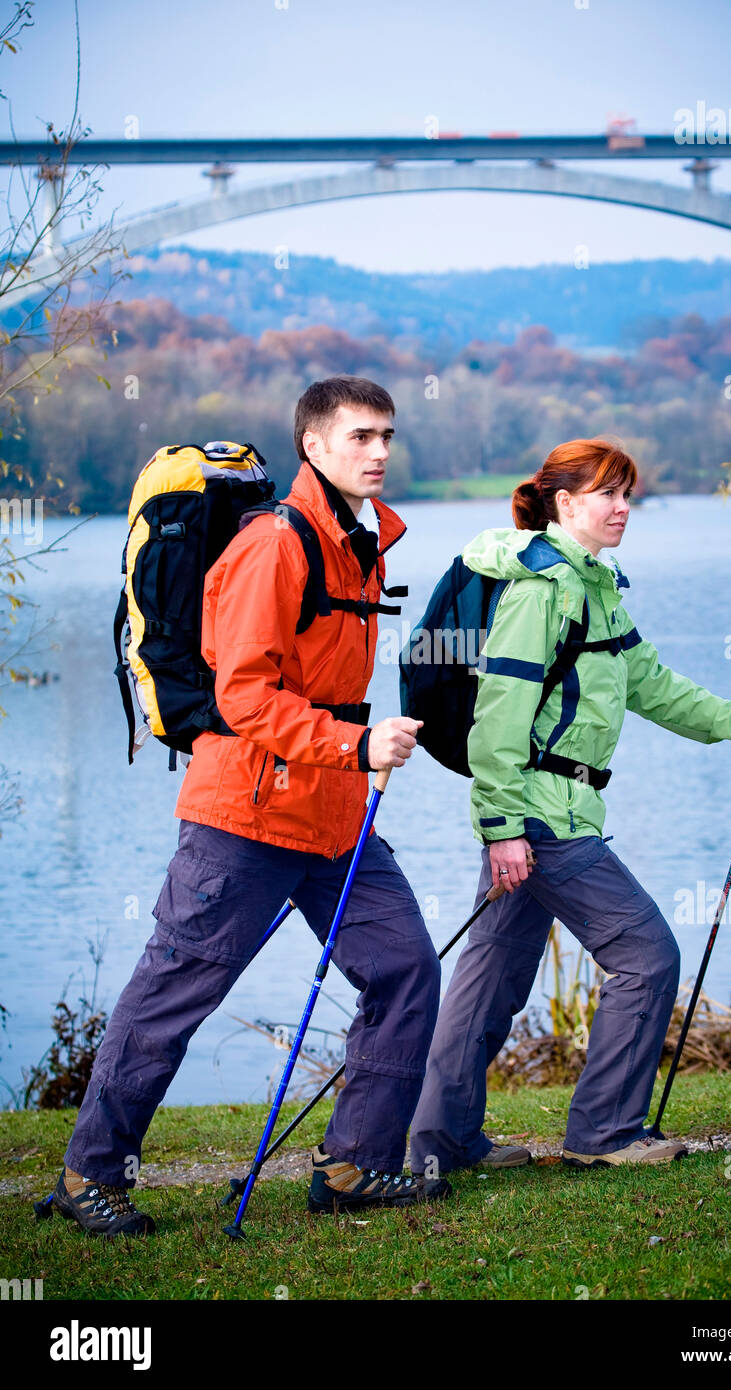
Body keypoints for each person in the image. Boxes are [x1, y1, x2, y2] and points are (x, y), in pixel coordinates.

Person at [53, 375, 450, 1235]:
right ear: (314, 445)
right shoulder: (276, 545)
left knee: (406, 969)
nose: (379, 452)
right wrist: (355, 743)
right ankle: (92, 1176)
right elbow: (244, 699)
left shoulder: (360, 541)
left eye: (387, 435)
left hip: (334, 813)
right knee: (174, 994)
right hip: (246, 812)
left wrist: (356, 751)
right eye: (360, 437)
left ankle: (355, 1165)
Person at [410, 438, 731, 1178]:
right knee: (647, 956)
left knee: (490, 976)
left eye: (628, 493)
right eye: (607, 494)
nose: (624, 507)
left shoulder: (596, 587)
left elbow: (651, 684)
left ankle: (443, 1140)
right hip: (542, 819)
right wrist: (503, 830)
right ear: (565, 503)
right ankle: (606, 1132)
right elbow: (498, 721)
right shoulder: (540, 591)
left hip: (548, 815)